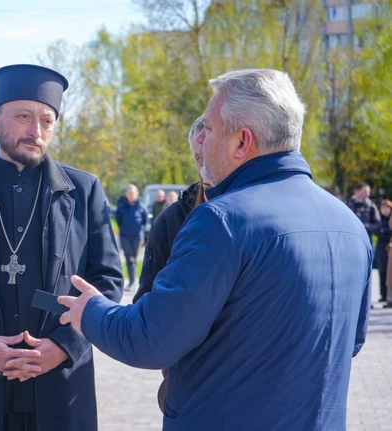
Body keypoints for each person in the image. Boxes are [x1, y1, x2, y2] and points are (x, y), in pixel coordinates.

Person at [59, 69, 372, 430]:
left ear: (242, 141)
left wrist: (92, 311)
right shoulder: (349, 224)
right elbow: (351, 341)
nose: (199, 141)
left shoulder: (221, 221)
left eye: (207, 128)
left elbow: (150, 339)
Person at [0, 64, 123, 431]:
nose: (36, 131)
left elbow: (107, 283)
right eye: (24, 117)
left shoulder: (84, 191)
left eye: (47, 121)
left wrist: (63, 346)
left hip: (60, 388)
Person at [131, 116, 206, 412]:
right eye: (198, 155)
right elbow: (146, 301)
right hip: (187, 386)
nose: (204, 161)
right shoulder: (172, 220)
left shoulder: (256, 213)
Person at [115, 185, 148, 291]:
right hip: (125, 236)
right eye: (129, 193)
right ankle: (132, 282)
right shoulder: (121, 206)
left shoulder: (141, 206)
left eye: (132, 193)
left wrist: (143, 233)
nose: (131, 195)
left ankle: (137, 282)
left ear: (137, 193)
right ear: (126, 194)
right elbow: (118, 219)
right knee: (129, 259)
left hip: (137, 236)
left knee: (135, 259)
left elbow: (145, 221)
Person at [377, 199, 392, 305]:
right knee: (382, 271)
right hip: (382, 247)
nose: (385, 209)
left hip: (389, 245)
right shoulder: (379, 218)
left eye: (387, 207)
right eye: (383, 207)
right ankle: (384, 295)